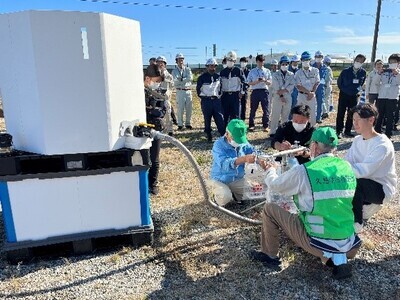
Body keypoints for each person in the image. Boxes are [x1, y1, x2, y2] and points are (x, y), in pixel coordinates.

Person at [252, 127, 361, 280]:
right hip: (350, 244)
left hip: (318, 242)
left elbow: (276, 185)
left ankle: (269, 256)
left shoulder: (305, 171)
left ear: (314, 146)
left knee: (270, 209)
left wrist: (271, 169)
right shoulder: (346, 167)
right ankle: (336, 259)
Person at [345, 104, 397, 232]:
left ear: (371, 120)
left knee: (355, 182)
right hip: (364, 181)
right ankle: (365, 205)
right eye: (353, 120)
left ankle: (357, 223)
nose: (355, 123)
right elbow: (347, 162)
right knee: (345, 180)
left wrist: (343, 170)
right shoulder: (357, 140)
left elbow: (364, 171)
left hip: (381, 187)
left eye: (358, 120)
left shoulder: (382, 145)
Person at [210, 119, 255, 201]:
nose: (238, 142)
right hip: (220, 179)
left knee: (254, 191)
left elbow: (253, 151)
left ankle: (235, 194)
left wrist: (262, 158)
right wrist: (243, 159)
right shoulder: (218, 145)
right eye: (235, 139)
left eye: (240, 139)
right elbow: (224, 164)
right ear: (227, 134)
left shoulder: (243, 142)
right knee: (224, 197)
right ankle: (216, 195)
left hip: (237, 179)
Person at [144, 64, 167, 195]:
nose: (157, 84)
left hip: (156, 128)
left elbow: (162, 109)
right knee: (141, 157)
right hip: (141, 129)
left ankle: (153, 184)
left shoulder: (158, 93)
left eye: (159, 82)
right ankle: (143, 183)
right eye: (156, 81)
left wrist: (154, 111)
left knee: (154, 157)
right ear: (148, 78)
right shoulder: (136, 93)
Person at [335, 54, 367, 139]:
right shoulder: (345, 71)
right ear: (354, 60)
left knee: (351, 114)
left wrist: (357, 90)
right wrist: (345, 90)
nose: (358, 62)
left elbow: (361, 83)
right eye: (357, 60)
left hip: (354, 95)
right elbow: (339, 83)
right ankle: (339, 131)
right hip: (344, 94)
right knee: (341, 113)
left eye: (361, 61)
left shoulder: (363, 72)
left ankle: (347, 131)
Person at [196, 58, 225, 142]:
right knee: (207, 118)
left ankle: (222, 134)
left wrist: (218, 96)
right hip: (206, 101)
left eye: (214, 66)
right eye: (211, 66)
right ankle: (208, 134)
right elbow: (198, 90)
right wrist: (205, 97)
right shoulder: (202, 77)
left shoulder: (218, 77)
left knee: (219, 118)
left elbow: (221, 88)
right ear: (207, 66)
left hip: (216, 101)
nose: (212, 68)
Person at [374, 53, 400, 139]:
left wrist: (396, 74)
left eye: (394, 62)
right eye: (390, 62)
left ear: (398, 63)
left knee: (390, 117)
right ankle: (377, 132)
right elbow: (376, 82)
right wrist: (378, 74)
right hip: (382, 96)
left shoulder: (398, 72)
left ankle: (388, 135)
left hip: (392, 98)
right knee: (379, 115)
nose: (392, 63)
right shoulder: (384, 72)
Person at [269, 56, 295, 136]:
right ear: (280, 64)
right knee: (275, 115)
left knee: (285, 115)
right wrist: (281, 96)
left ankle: (284, 132)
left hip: (287, 96)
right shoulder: (275, 75)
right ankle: (273, 132)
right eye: (283, 64)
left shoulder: (291, 74)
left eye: (286, 64)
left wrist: (283, 91)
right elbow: (276, 87)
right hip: (278, 97)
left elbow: (292, 85)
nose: (284, 65)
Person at [220, 51, 246, 127]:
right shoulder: (222, 72)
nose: (230, 62)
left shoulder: (238, 71)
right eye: (228, 60)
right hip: (225, 96)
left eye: (232, 60)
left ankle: (235, 132)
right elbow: (219, 85)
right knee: (225, 115)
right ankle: (224, 133)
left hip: (235, 95)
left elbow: (244, 82)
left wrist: (242, 92)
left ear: (235, 61)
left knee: (236, 115)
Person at [247, 54, 272, 132]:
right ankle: (251, 125)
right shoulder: (252, 71)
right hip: (255, 91)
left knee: (266, 109)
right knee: (253, 109)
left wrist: (264, 80)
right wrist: (257, 81)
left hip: (264, 91)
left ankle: (265, 125)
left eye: (262, 61)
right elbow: (249, 82)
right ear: (256, 62)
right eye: (259, 61)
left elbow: (270, 83)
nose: (261, 63)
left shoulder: (267, 71)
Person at [294, 51, 320, 126]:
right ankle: (300, 129)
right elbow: (298, 85)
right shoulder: (298, 73)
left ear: (310, 60)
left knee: (312, 114)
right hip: (302, 96)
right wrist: (309, 93)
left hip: (312, 95)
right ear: (301, 61)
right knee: (300, 113)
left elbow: (317, 82)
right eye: (304, 60)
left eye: (307, 60)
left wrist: (312, 92)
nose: (305, 62)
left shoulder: (315, 70)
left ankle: (312, 130)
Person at [171, 53, 193, 130]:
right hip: (180, 91)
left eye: (182, 59)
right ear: (176, 61)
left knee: (189, 108)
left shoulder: (188, 69)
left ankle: (188, 123)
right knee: (180, 108)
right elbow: (174, 81)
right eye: (179, 59)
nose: (181, 61)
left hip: (188, 91)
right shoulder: (174, 71)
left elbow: (190, 78)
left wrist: (181, 79)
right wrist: (184, 79)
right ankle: (180, 124)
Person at [156, 56, 175, 136]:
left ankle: (170, 130)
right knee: (157, 114)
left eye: (162, 63)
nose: (160, 64)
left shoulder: (169, 76)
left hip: (165, 98)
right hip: (156, 98)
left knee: (168, 113)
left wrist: (168, 94)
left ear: (165, 64)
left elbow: (171, 87)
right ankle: (159, 129)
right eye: (158, 62)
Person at [312, 51, 328, 123]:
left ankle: (318, 118)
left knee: (320, 103)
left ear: (322, 58)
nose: (318, 58)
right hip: (313, 87)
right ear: (315, 57)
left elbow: (326, 78)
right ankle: (311, 117)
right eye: (317, 57)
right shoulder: (312, 66)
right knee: (312, 103)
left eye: (320, 57)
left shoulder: (325, 67)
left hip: (321, 87)